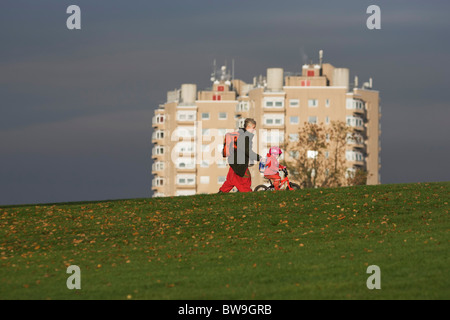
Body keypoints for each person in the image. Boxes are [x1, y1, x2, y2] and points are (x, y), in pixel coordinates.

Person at [219, 118, 261, 193]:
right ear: (248, 127)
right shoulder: (245, 137)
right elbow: (247, 151)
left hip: (234, 163)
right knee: (245, 183)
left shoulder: (241, 135)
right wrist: (259, 158)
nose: (254, 130)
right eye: (253, 127)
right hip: (239, 164)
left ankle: (218, 196)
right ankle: (249, 199)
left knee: (229, 182)